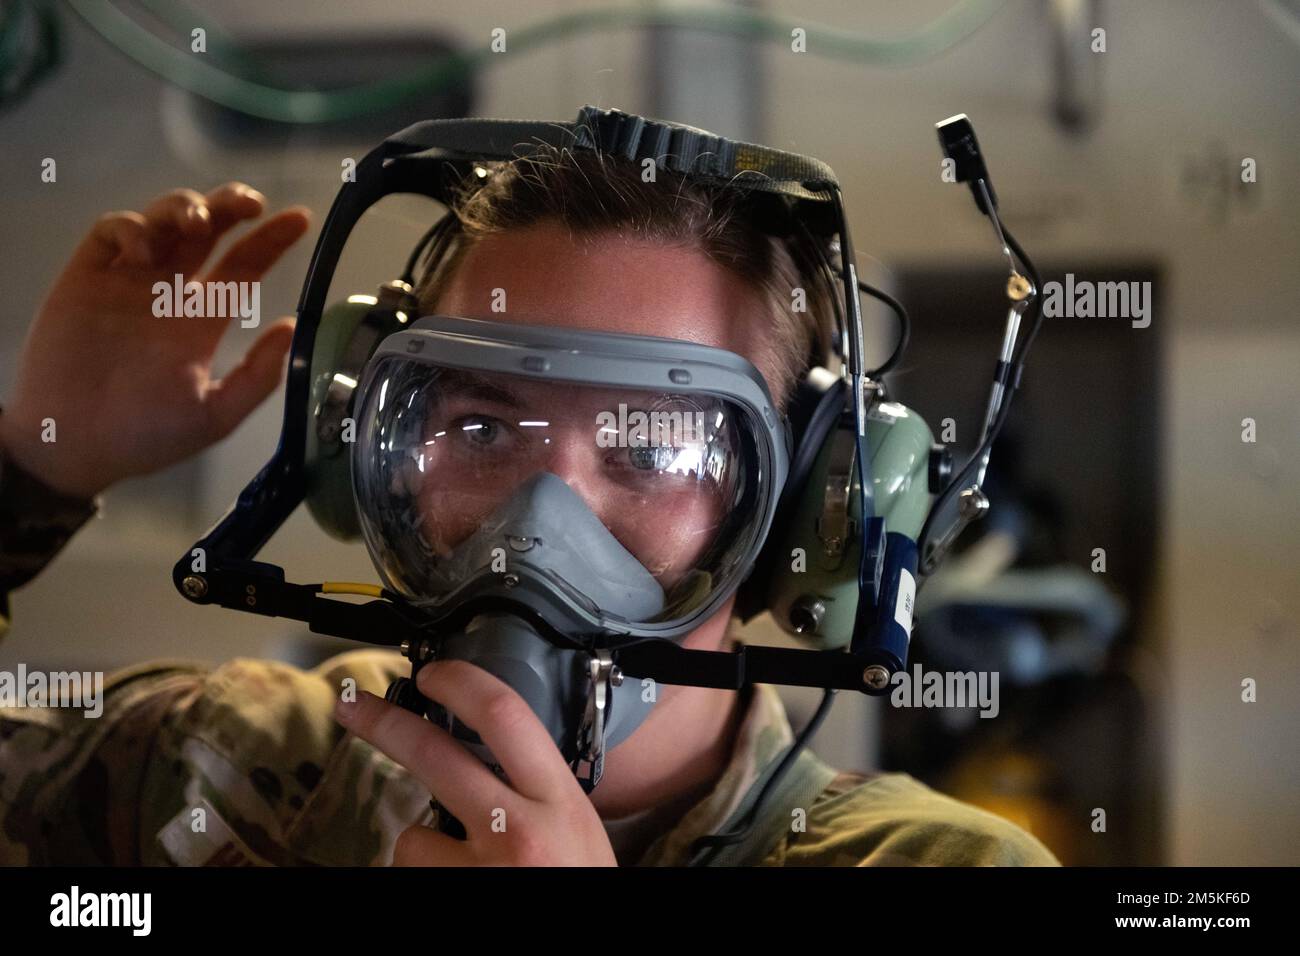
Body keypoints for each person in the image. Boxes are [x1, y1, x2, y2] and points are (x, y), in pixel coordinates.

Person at [0, 143, 1060, 867]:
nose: (540, 525)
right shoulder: (232, 758)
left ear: (797, 517)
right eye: (479, 428)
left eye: (650, 448)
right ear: (365, 452)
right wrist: (31, 469)